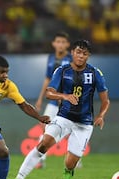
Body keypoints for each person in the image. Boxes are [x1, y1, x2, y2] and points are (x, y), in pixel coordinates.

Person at [7, 39, 110, 179]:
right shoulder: (62, 71)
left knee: (70, 163)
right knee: (43, 144)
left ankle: (69, 168)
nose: (81, 56)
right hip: (64, 118)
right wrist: (64, 96)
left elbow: (105, 100)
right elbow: (49, 92)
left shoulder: (95, 73)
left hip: (84, 123)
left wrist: (101, 115)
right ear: (73, 53)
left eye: (85, 54)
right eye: (79, 52)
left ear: (88, 56)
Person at [34, 31, 73, 169]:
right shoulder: (51, 58)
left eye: (63, 42)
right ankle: (40, 159)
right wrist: (40, 99)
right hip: (52, 101)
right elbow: (47, 79)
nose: (60, 45)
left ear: (67, 44)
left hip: (68, 101)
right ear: (54, 44)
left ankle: (75, 160)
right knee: (45, 127)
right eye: (58, 42)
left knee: (72, 129)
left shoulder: (73, 59)